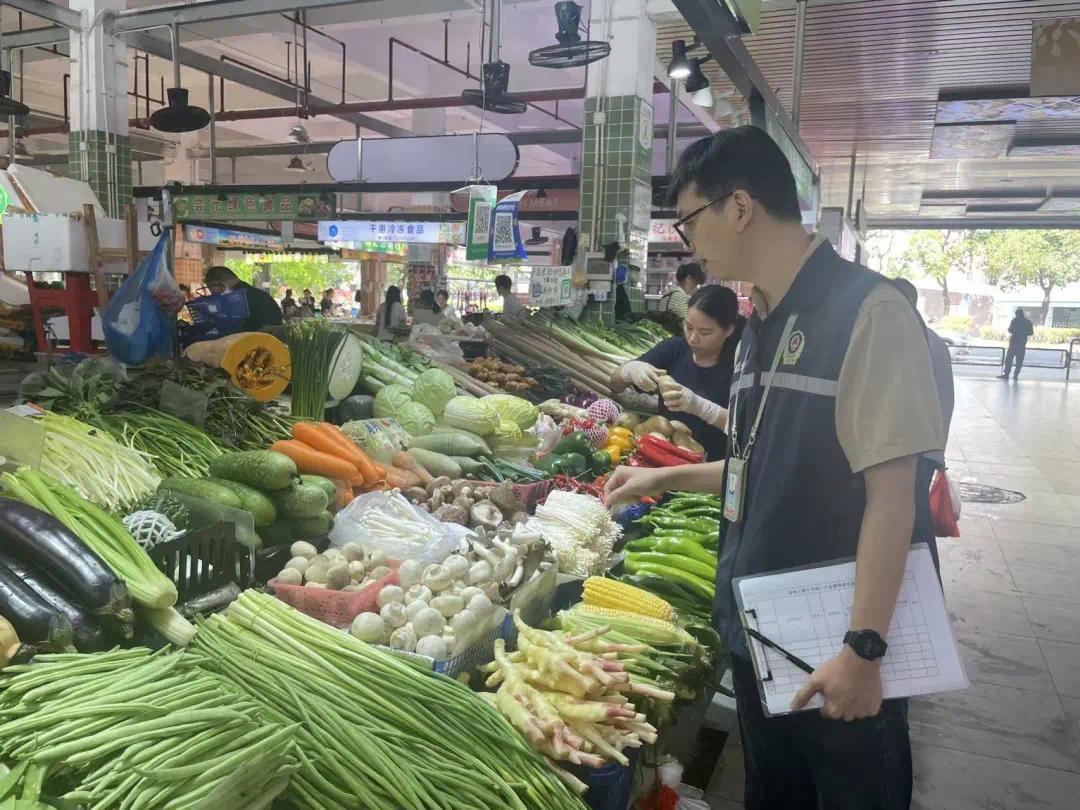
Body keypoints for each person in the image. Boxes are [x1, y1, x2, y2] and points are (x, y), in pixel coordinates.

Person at [605, 126, 943, 810]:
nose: (687, 240)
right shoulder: (760, 322)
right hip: (764, 631)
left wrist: (864, 650)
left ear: (739, 207)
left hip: (835, 642)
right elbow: (758, 465)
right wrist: (661, 478)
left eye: (689, 219)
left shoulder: (869, 315)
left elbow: (893, 499)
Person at [611, 285, 743, 461]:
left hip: (710, 467)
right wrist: (630, 370)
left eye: (705, 332)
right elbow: (614, 384)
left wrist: (699, 406)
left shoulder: (739, 364)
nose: (693, 338)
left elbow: (743, 427)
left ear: (729, 330)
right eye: (688, 327)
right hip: (661, 457)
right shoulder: (673, 349)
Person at [203, 265, 283, 332]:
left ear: (219, 285)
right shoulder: (262, 295)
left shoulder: (234, 300)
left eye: (213, 292)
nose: (215, 296)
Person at [1002, 308, 1034, 379]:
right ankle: (1016, 375)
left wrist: (1015, 331)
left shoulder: (1014, 321)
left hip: (1013, 343)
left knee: (1009, 360)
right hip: (1022, 344)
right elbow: (1031, 332)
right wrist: (1024, 333)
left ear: (1017, 314)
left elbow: (1010, 330)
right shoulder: (1028, 322)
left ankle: (1006, 374)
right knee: (1019, 361)